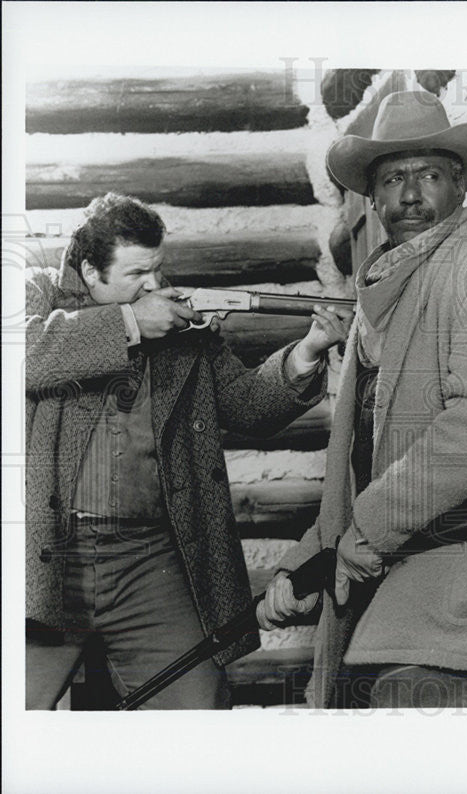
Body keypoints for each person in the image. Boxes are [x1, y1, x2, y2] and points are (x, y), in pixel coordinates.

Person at [259, 90, 467, 709]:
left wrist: (365, 534)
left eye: (429, 175)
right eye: (393, 179)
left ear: (459, 184)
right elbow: (362, 461)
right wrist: (303, 562)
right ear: (373, 198)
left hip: (466, 576)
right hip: (390, 569)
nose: (411, 195)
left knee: (399, 708)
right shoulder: (383, 289)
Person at [26, 193, 349, 709]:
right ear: (89, 271)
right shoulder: (38, 295)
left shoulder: (180, 329)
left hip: (149, 559)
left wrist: (308, 349)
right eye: (136, 274)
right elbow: (23, 354)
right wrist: (129, 326)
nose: (154, 285)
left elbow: (247, 408)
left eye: (157, 269)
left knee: (197, 713)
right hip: (45, 558)